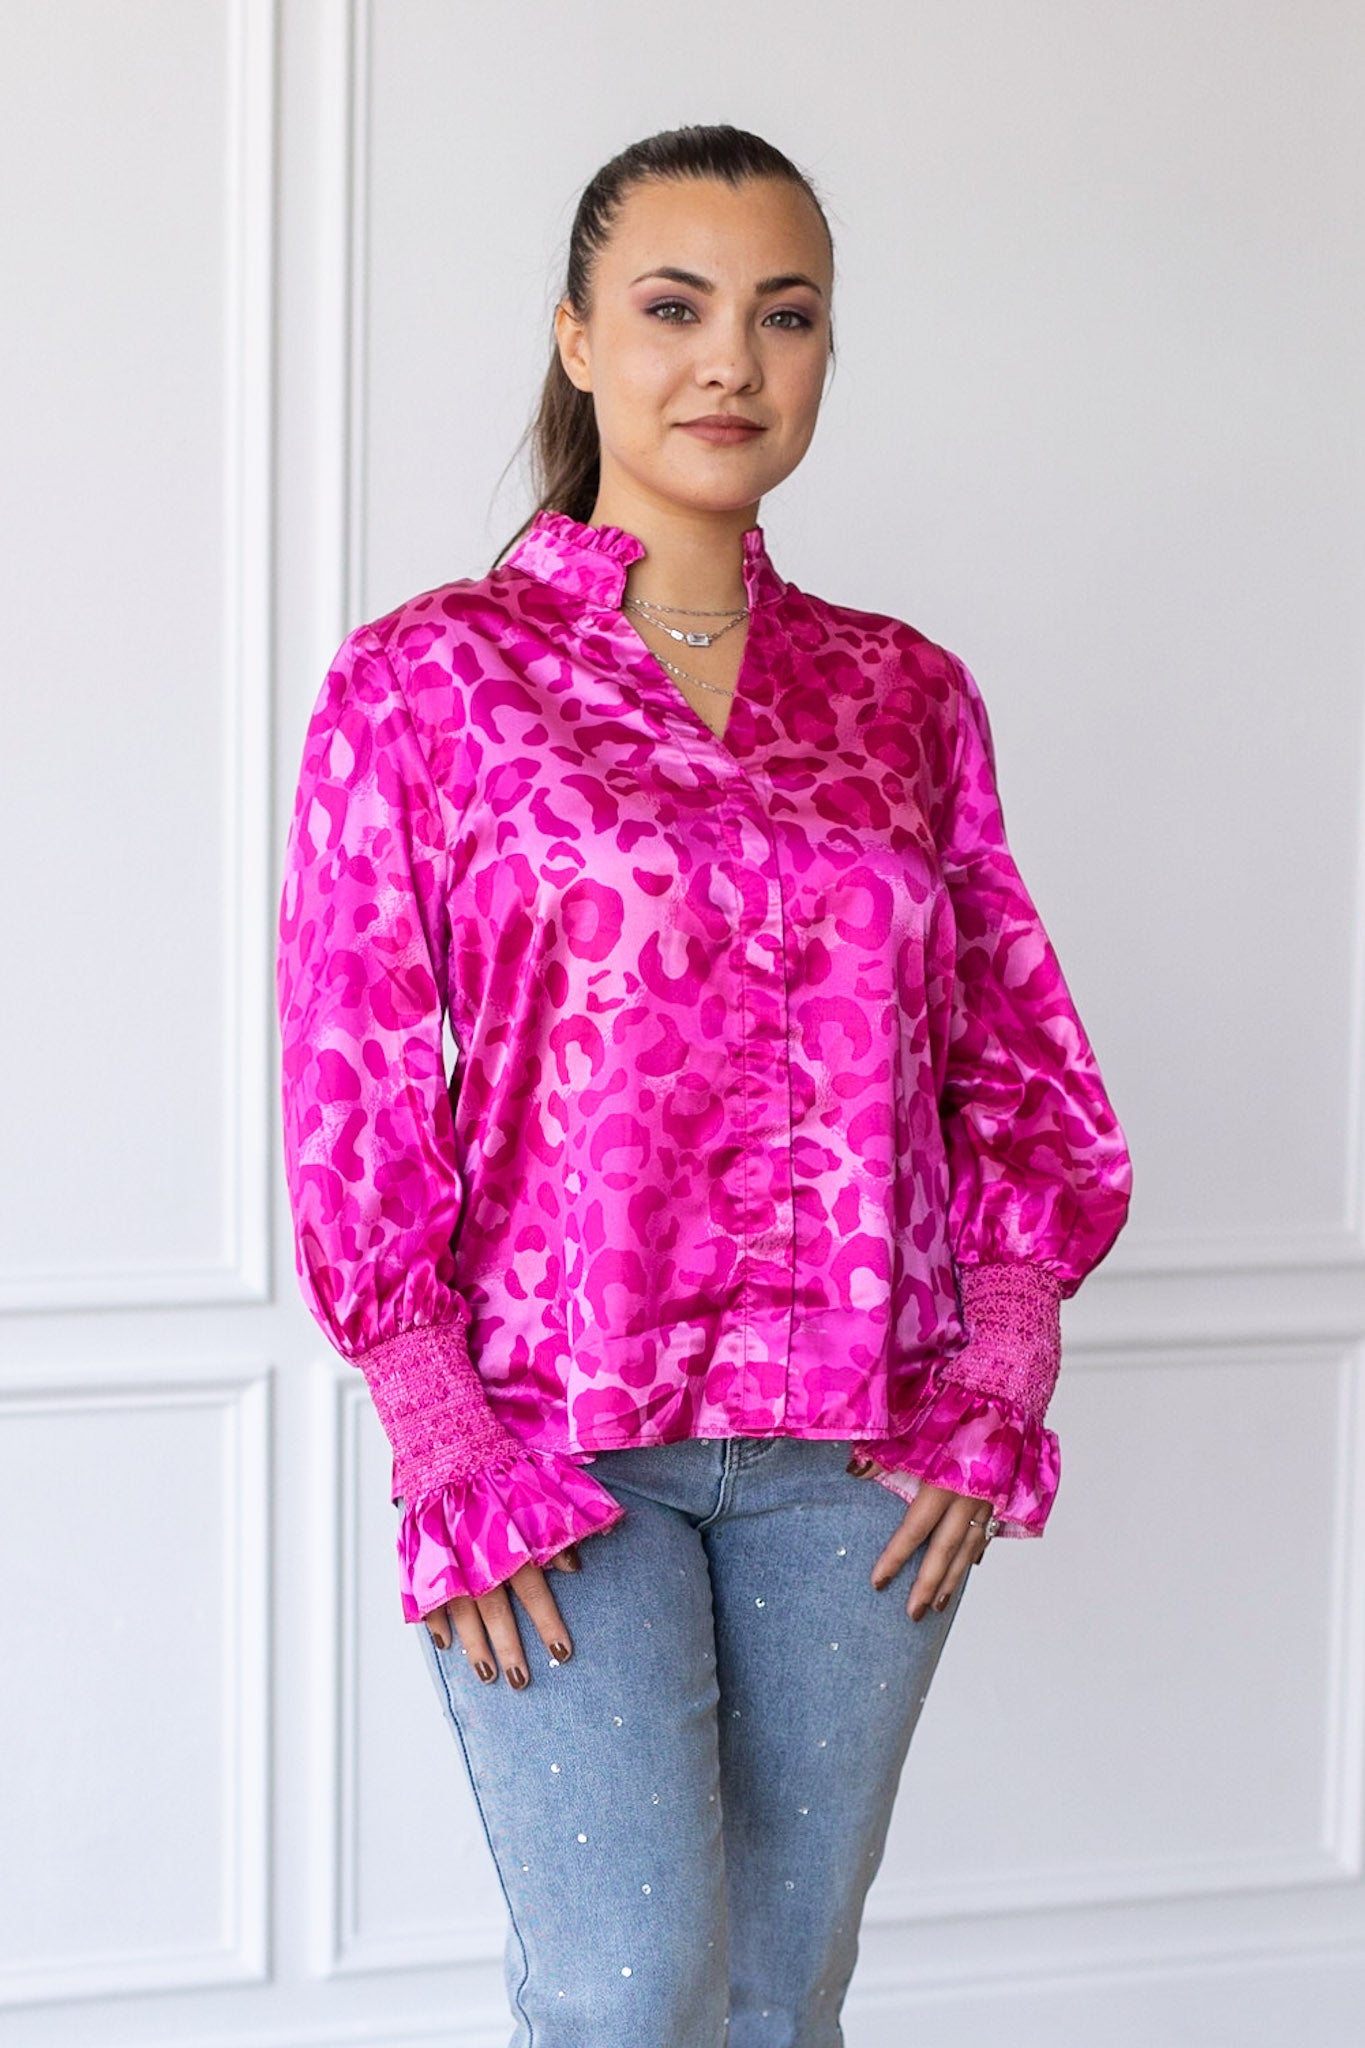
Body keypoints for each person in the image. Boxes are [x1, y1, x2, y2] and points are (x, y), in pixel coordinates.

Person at [277, 122, 1131, 2048]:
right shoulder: (429, 682)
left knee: (780, 1996)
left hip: (862, 1449)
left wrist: (998, 1364)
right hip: (550, 1450)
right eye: (673, 308)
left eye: (785, 315)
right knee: (623, 1992)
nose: (730, 361)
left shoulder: (904, 693)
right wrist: (435, 1424)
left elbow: (1012, 1048)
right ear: (577, 338)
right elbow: (350, 1067)